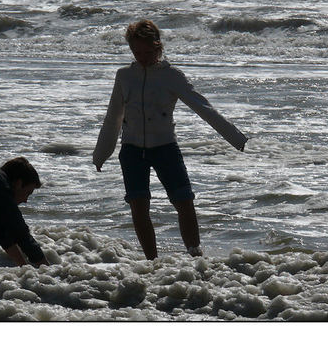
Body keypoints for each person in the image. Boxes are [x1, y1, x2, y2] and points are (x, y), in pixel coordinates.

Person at [93, 20, 248, 260]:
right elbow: (113, 115)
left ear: (159, 47)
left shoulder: (172, 76)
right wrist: (102, 153)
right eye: (137, 52)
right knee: (138, 205)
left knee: (184, 201)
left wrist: (235, 137)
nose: (142, 57)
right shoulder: (124, 76)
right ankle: (152, 262)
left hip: (165, 148)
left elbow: (203, 107)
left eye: (148, 52)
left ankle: (196, 255)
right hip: (132, 150)